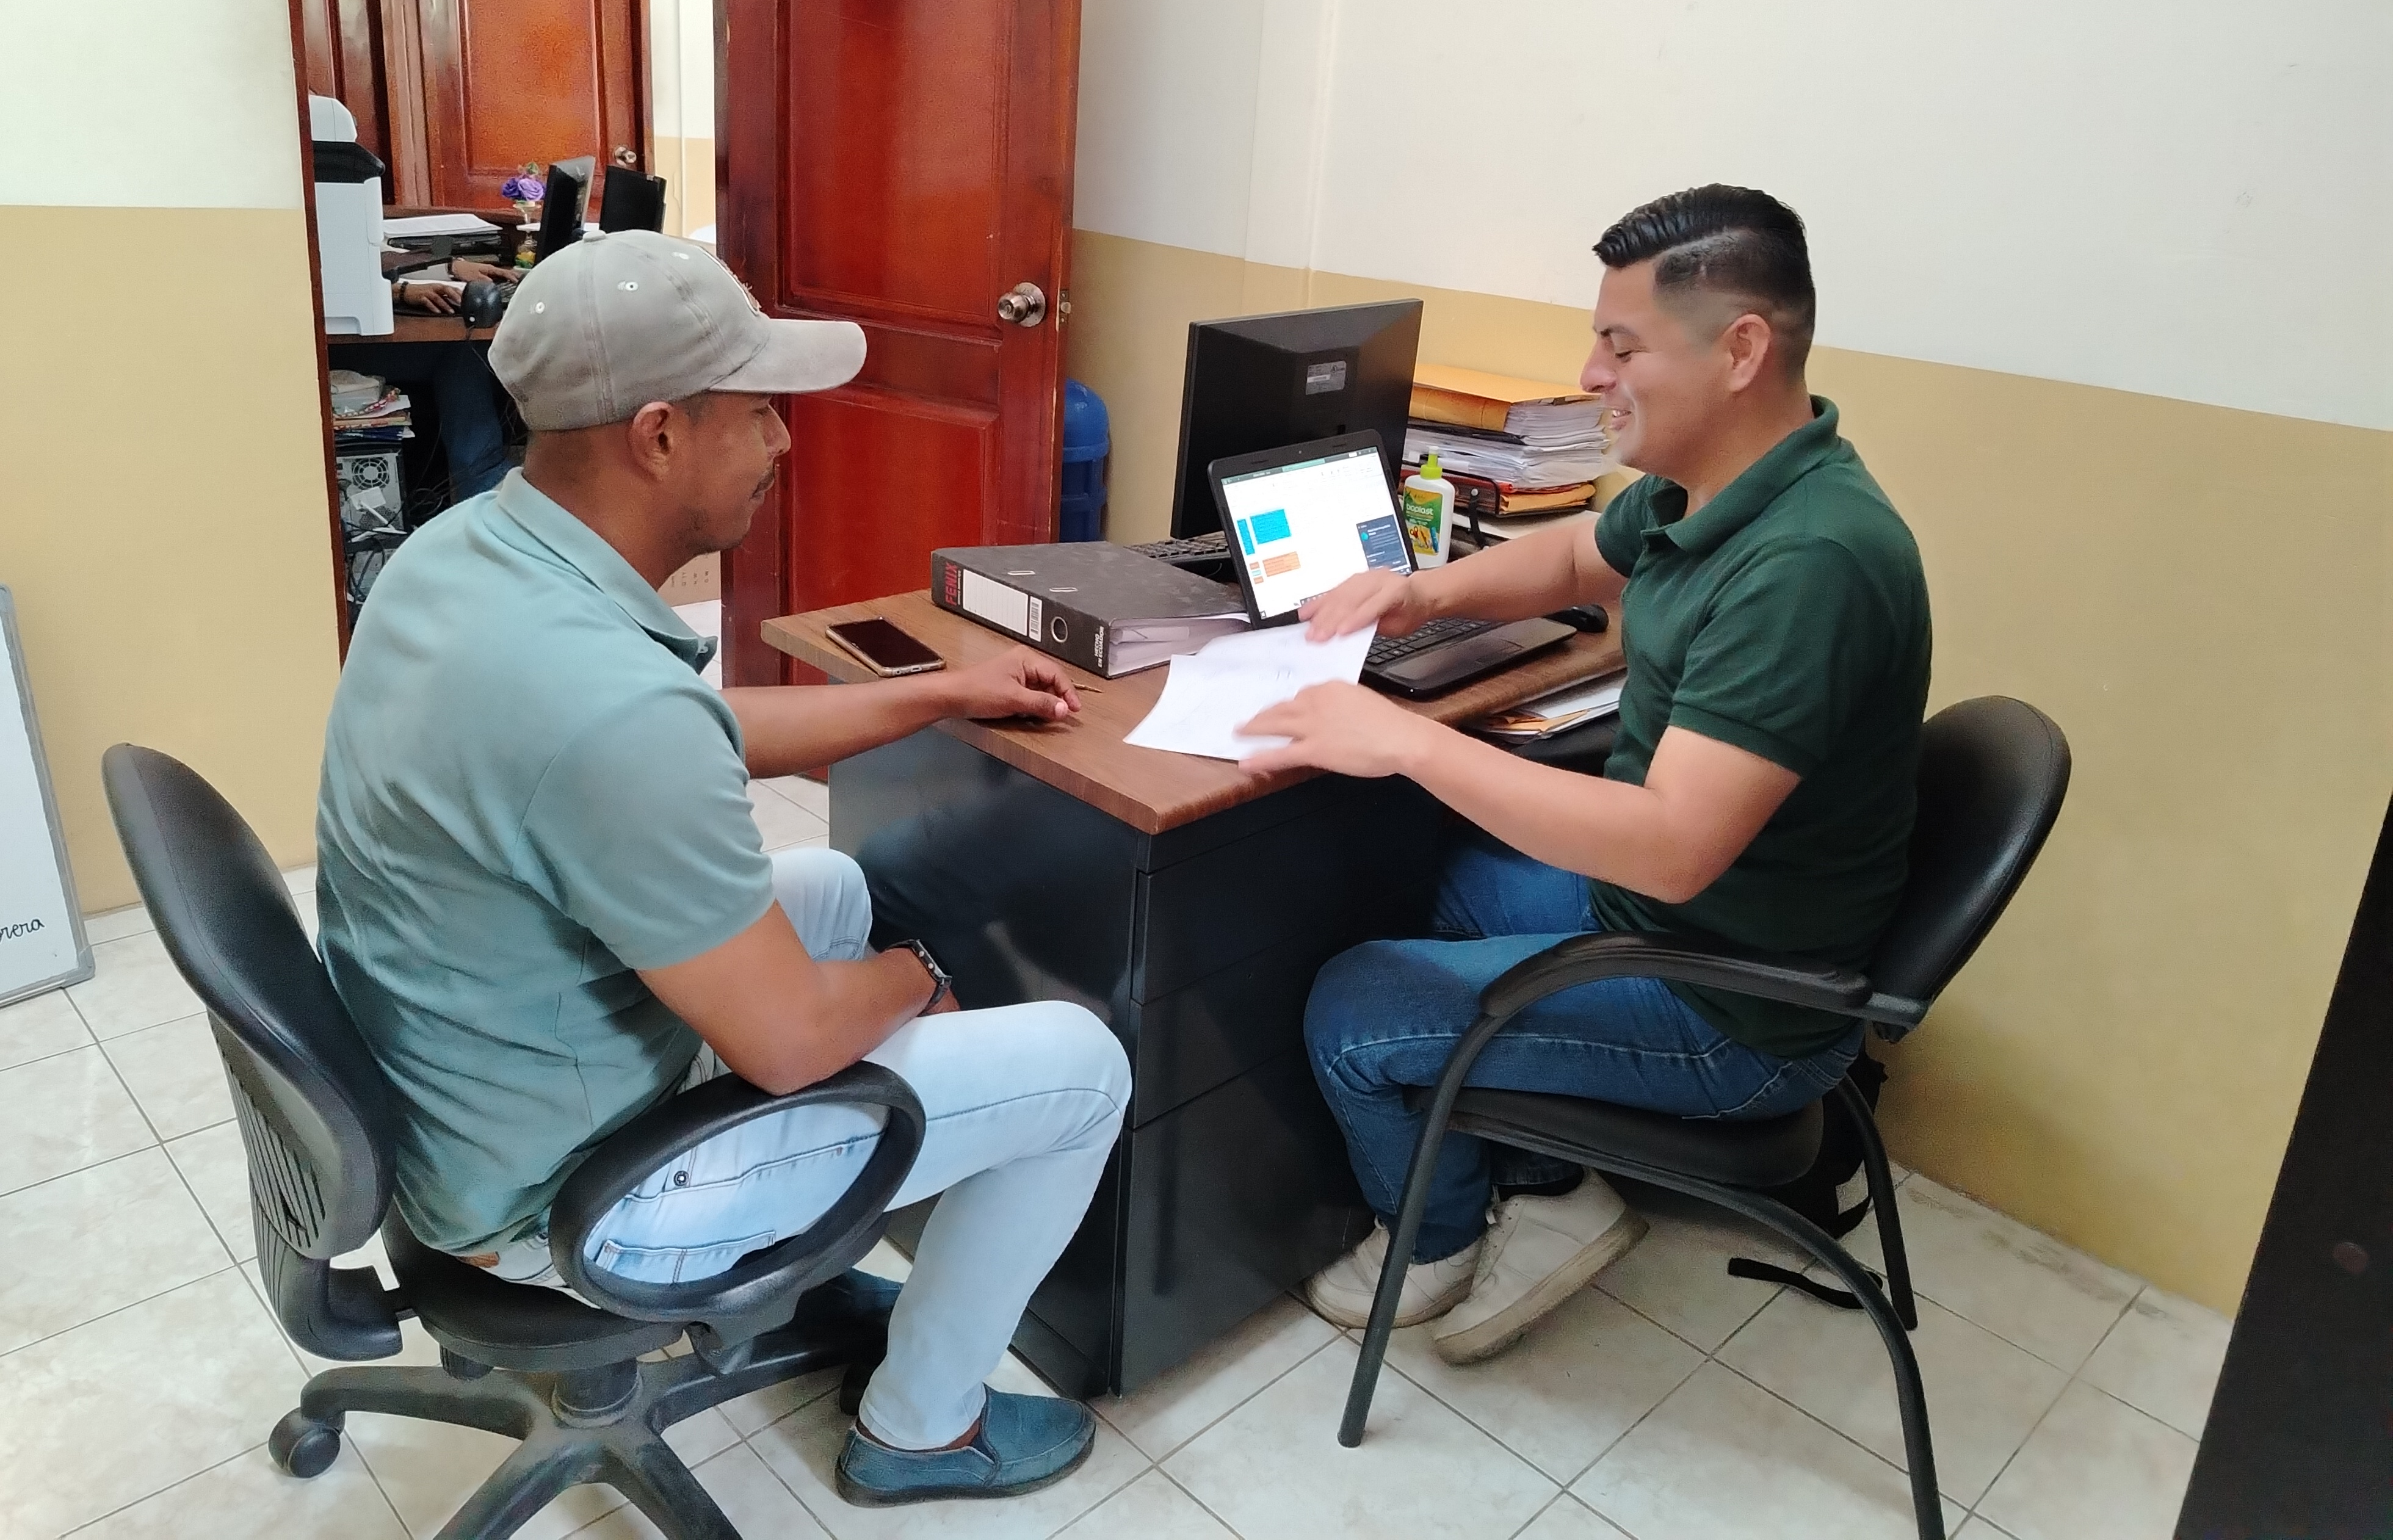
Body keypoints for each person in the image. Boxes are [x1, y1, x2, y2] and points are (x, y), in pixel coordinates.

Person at [314, 229, 1132, 1506]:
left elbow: (686, 734)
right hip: (561, 1202)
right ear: (658, 436)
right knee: (1082, 1069)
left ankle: (805, 1242)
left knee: (834, 892)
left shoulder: (465, 557)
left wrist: (936, 693)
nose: (783, 442)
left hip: (466, 1091)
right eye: (757, 413)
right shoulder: (598, 706)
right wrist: (915, 977)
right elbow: (790, 1043)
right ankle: (921, 1430)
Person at [1244, 186, 1931, 1365]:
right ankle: (1552, 1175)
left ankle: (1437, 1241)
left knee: (1352, 1009)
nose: (1590, 373)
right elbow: (1575, 554)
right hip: (1686, 921)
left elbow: (1672, 846)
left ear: (1740, 351)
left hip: (1740, 1010)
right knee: (1430, 877)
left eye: (1622, 346)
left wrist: (1413, 742)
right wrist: (1419, 592)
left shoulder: (1808, 562)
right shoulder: (1722, 483)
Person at [328, 258, 520, 500]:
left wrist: (450, 267)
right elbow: (321, 284)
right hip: (325, 344)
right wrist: (398, 292)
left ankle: (486, 481)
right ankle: (484, 483)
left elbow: (375, 255)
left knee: (469, 351)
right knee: (459, 353)